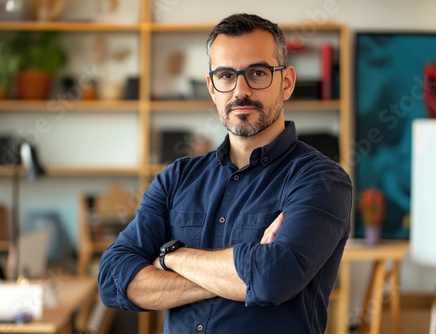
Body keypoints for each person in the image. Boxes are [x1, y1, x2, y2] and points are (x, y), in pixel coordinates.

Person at [98, 13, 352, 334]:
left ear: (286, 82)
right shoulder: (176, 178)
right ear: (211, 87)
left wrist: (169, 256)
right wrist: (243, 273)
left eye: (257, 73)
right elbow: (112, 278)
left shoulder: (321, 181)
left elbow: (272, 279)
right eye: (226, 75)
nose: (239, 91)